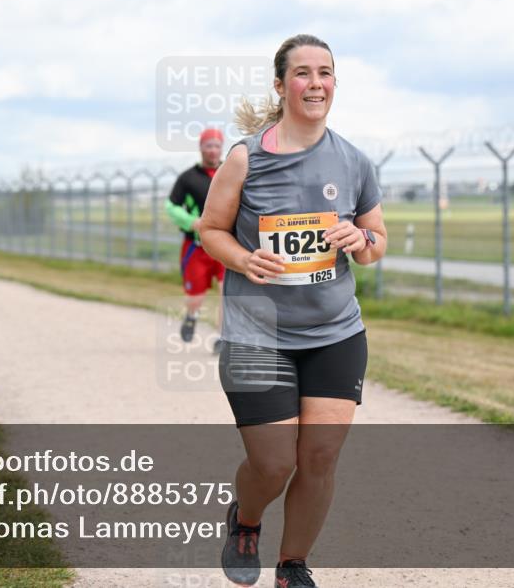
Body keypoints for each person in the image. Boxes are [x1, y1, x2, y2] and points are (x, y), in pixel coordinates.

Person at [200, 34, 387, 588]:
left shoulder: (354, 161)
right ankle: (246, 520)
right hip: (256, 334)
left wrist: (361, 238)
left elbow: (377, 243)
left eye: (325, 73)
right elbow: (210, 230)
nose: (316, 83)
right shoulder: (245, 157)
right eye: (302, 73)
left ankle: (293, 566)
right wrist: (243, 258)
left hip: (335, 334)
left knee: (320, 457)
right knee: (275, 462)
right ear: (281, 86)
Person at [165, 128, 226, 352]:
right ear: (201, 148)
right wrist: (192, 222)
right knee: (195, 297)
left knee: (226, 292)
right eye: (208, 145)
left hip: (224, 245)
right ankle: (191, 316)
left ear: (222, 148)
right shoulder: (188, 178)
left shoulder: (229, 172)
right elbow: (171, 206)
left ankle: (222, 337)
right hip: (196, 247)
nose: (213, 150)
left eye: (217, 145)